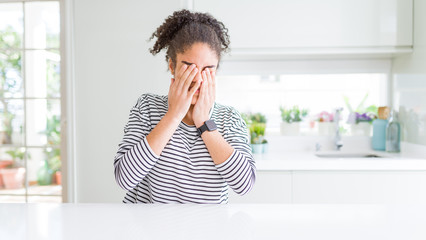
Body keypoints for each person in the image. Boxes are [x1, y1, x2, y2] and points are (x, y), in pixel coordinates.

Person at [113, 9, 256, 203]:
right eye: (189, 67)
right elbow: (124, 179)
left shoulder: (229, 118)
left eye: (207, 69)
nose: (197, 79)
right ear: (172, 66)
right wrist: (173, 115)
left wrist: (204, 122)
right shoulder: (147, 107)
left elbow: (245, 184)